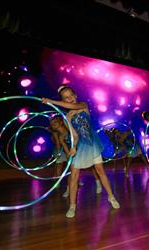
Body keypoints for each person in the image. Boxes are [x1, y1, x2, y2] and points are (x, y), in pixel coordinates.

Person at [42, 85, 120, 218]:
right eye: (66, 98)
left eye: (71, 95)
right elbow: (75, 136)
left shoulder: (82, 105)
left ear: (75, 95)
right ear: (63, 100)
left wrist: (51, 101)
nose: (70, 99)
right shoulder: (67, 118)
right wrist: (73, 147)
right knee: (74, 175)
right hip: (81, 146)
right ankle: (72, 205)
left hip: (92, 143)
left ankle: (111, 197)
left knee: (100, 170)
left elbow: (74, 107)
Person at [49, 116, 103, 196]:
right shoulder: (60, 137)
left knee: (92, 166)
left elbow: (79, 137)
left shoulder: (69, 130)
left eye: (55, 122)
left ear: (61, 122)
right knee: (71, 171)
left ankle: (98, 183)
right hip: (73, 153)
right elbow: (65, 148)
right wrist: (69, 159)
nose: (53, 124)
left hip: (81, 148)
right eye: (52, 123)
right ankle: (68, 189)